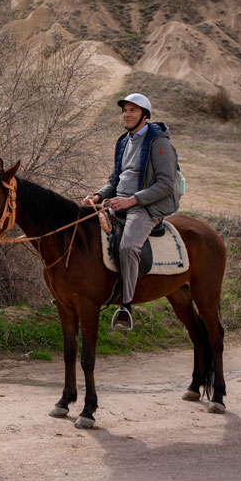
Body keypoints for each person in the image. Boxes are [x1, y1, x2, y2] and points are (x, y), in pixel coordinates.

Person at [83, 93, 180, 331]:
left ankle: (125, 307)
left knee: (127, 246)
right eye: (124, 110)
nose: (126, 114)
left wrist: (131, 201)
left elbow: (166, 184)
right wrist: (98, 195)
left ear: (144, 116)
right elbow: (115, 179)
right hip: (119, 201)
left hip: (146, 206)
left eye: (132, 111)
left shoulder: (160, 144)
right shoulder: (124, 141)